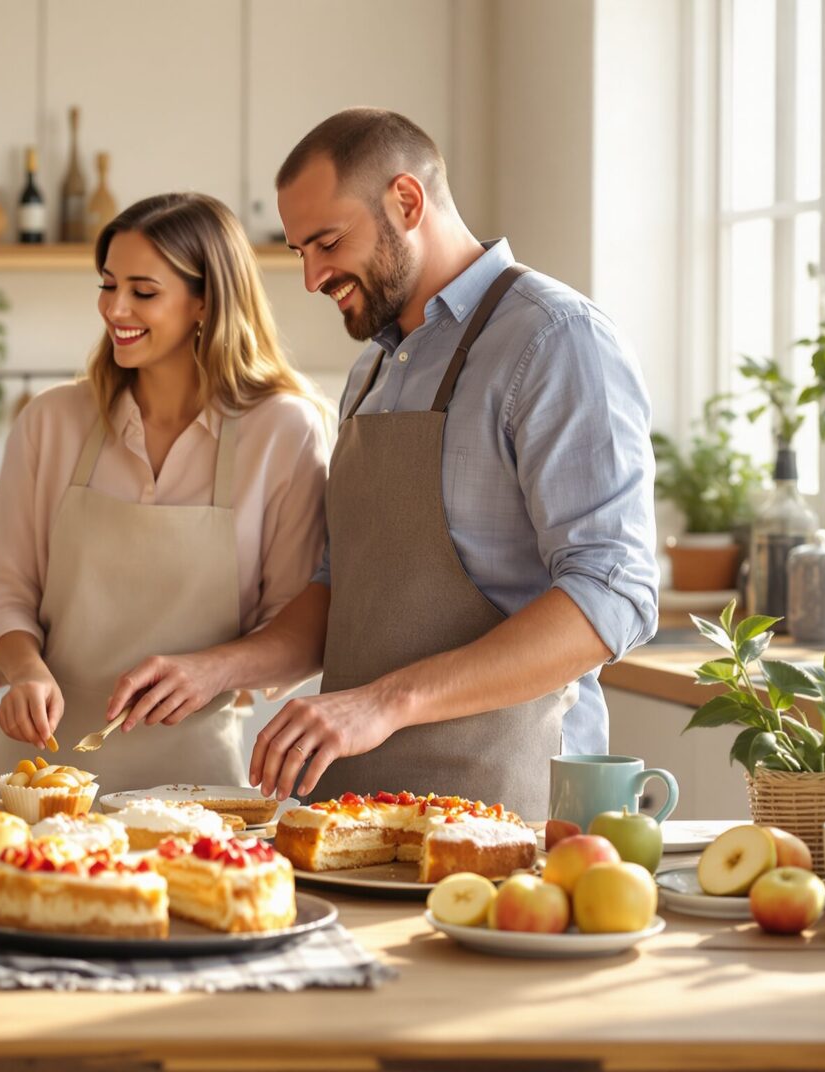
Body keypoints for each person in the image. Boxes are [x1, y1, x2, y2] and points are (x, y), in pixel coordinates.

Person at [238, 109, 658, 817]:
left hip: (509, 811)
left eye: (328, 242)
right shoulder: (371, 372)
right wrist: (212, 669)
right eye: (300, 250)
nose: (311, 277)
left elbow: (612, 595)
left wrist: (385, 703)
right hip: (352, 813)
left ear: (406, 201)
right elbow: (344, 588)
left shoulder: (556, 339)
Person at [0, 192, 332, 792]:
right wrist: (25, 671)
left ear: (205, 302)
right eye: (108, 285)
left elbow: (301, 628)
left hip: (194, 790)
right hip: (37, 779)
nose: (115, 308)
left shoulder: (282, 431)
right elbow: (2, 596)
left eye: (143, 291)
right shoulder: (51, 422)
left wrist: (211, 671)